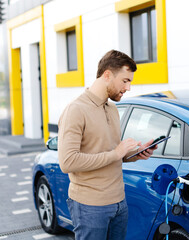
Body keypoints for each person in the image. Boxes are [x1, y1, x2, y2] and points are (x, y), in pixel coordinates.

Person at [58, 50, 156, 240]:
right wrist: (117, 153)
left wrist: (136, 153)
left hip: (119, 203)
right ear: (107, 75)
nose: (128, 88)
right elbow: (67, 162)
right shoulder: (76, 110)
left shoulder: (112, 108)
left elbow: (111, 152)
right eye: (125, 81)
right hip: (90, 207)